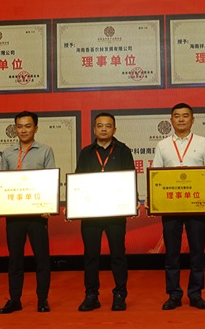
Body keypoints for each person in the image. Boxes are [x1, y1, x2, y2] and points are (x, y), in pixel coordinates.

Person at [151, 103, 205, 311]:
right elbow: (155, 174)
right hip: (170, 205)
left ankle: (195, 294)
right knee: (171, 253)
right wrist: (153, 200)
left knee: (197, 251)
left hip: (196, 204)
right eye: (177, 116)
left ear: (192, 120)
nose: (181, 119)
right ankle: (173, 294)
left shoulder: (203, 142)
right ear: (171, 120)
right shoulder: (163, 145)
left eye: (185, 116)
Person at [74, 112, 135, 312]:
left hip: (116, 213)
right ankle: (91, 295)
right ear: (94, 129)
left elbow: (130, 178)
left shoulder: (124, 151)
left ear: (114, 129)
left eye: (108, 126)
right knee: (91, 256)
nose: (103, 129)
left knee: (118, 254)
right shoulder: (86, 152)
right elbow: (78, 180)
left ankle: (120, 294)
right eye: (99, 125)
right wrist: (75, 204)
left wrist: (131, 201)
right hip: (91, 213)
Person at [0, 111, 55, 314]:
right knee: (15, 259)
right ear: (15, 129)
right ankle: (15, 300)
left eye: (28, 126)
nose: (23, 130)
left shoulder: (45, 150)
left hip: (37, 215)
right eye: (19, 126)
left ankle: (42, 299)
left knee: (42, 259)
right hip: (14, 215)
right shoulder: (8, 152)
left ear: (35, 128)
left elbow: (50, 180)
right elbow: (1, 182)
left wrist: (48, 206)